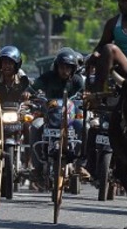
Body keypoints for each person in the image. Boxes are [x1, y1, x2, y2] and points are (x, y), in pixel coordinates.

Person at [28, 48, 87, 184]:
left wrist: (86, 96)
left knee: (86, 126)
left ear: (73, 69)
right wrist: (27, 93)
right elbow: (33, 88)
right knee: (35, 127)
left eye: (68, 67)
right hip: (48, 117)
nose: (64, 70)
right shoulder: (48, 77)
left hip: (71, 119)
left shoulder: (78, 80)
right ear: (56, 67)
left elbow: (86, 93)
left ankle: (80, 165)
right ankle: (37, 167)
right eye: (62, 67)